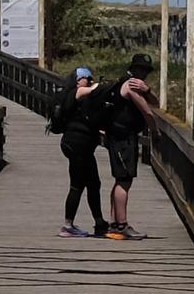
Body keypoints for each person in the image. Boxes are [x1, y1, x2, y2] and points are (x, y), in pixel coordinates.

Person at [99, 51, 165, 239]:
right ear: (133, 68)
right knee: (124, 180)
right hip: (123, 138)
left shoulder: (128, 83)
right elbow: (149, 112)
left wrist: (147, 90)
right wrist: (156, 133)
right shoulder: (131, 86)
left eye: (146, 71)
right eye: (141, 69)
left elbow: (156, 102)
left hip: (118, 136)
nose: (143, 74)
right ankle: (122, 225)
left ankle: (114, 223)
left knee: (121, 179)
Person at [54, 64, 108, 236]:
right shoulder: (76, 92)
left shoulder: (76, 97)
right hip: (78, 145)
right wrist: (102, 85)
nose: (90, 81)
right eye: (87, 78)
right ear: (78, 81)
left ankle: (99, 222)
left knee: (93, 183)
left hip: (78, 145)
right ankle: (67, 226)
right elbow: (94, 90)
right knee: (77, 185)